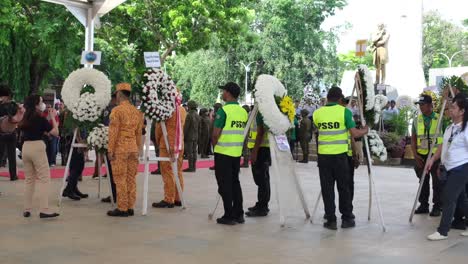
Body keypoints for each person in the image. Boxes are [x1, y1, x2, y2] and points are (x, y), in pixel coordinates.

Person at [313, 87, 369, 230]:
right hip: (340, 157)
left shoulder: (317, 113)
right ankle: (347, 218)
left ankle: (331, 220)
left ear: (327, 98)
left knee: (327, 189)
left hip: (323, 157)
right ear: (339, 99)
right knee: (343, 188)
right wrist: (365, 130)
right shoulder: (345, 112)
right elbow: (355, 133)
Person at [426, 93, 468, 241]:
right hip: (449, 168)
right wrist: (433, 160)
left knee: (448, 197)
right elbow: (443, 145)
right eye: (450, 107)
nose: (450, 110)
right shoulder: (450, 127)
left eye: (454, 107)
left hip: (461, 168)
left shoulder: (466, 129)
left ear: (462, 111)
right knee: (462, 199)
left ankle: (442, 231)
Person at [212, 82, 248, 225]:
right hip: (236, 153)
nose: (222, 94)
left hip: (223, 152)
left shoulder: (223, 111)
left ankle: (229, 215)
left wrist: (216, 147)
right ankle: (239, 214)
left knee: (224, 184)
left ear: (228, 93)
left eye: (223, 91)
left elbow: (215, 134)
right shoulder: (243, 112)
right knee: (235, 183)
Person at [19, 95, 60, 218]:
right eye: (41, 102)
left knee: (29, 180)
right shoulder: (40, 119)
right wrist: (52, 117)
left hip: (25, 148)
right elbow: (55, 132)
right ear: (36, 105)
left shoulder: (25, 118)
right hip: (37, 147)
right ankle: (44, 209)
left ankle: (27, 209)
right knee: (44, 178)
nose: (43, 104)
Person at [107, 83, 143, 217]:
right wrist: (139, 149)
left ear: (120, 94)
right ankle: (130, 207)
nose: (115, 96)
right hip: (133, 148)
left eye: (116, 94)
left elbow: (113, 131)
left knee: (120, 178)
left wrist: (110, 149)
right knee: (131, 178)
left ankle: (122, 208)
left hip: (120, 149)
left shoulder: (117, 111)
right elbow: (139, 133)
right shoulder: (137, 111)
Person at [411, 94, 443, 217]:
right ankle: (423, 205)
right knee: (423, 181)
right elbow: (413, 139)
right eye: (419, 105)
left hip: (436, 155)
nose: (421, 107)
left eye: (423, 105)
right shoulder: (416, 120)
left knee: (437, 182)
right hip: (421, 155)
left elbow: (444, 139)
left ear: (431, 105)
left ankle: (437, 206)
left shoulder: (439, 119)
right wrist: (415, 155)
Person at [152, 99, 187, 208]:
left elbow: (159, 128)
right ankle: (178, 198)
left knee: (167, 171)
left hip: (167, 144)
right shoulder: (182, 110)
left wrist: (158, 140)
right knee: (178, 171)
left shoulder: (165, 110)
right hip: (179, 144)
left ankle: (169, 199)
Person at [246, 112, 271, 217]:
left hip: (260, 149)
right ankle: (262, 204)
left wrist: (255, 151)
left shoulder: (260, 113)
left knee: (261, 179)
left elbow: (260, 132)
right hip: (261, 148)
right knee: (263, 179)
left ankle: (262, 207)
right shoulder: (258, 112)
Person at [0, 84, 23, 181]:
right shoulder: (15, 105)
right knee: (11, 155)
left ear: (7, 96)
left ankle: (13, 175)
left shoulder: (4, 106)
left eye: (2, 96)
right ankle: (13, 175)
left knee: (7, 155)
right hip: (12, 132)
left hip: (2, 133)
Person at [62, 129, 88, 200]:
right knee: (75, 167)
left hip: (78, 139)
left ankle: (72, 188)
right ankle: (69, 190)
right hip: (74, 140)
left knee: (79, 166)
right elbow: (74, 127)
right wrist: (79, 141)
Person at [183, 100, 200, 172]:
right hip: (196, 136)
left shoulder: (189, 115)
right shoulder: (197, 115)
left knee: (190, 152)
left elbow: (186, 127)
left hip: (189, 136)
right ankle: (194, 167)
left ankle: (190, 167)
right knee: (194, 152)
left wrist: (183, 136)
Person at [209, 103, 223, 170]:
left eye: (215, 108)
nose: (214, 109)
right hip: (216, 135)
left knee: (217, 152)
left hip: (217, 136)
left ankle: (217, 165)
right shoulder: (216, 115)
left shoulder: (218, 115)